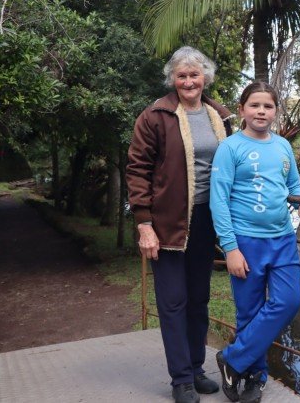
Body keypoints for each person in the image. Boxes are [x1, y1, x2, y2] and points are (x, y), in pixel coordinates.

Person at [127, 46, 233, 403]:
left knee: (199, 299)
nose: (189, 81)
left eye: (194, 74)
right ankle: (181, 380)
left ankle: (196, 368)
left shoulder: (220, 115)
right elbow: (138, 170)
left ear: (206, 77)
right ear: (172, 79)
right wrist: (144, 225)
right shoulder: (156, 116)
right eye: (181, 75)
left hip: (207, 221)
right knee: (173, 301)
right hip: (168, 224)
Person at [209, 81, 300, 403]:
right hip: (245, 242)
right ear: (242, 109)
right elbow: (219, 200)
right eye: (254, 105)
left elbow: (293, 186)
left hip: (283, 238)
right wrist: (230, 248)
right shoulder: (230, 148)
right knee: (249, 312)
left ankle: (232, 358)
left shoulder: (283, 146)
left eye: (267, 106)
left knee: (288, 300)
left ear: (275, 111)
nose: (261, 111)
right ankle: (254, 378)